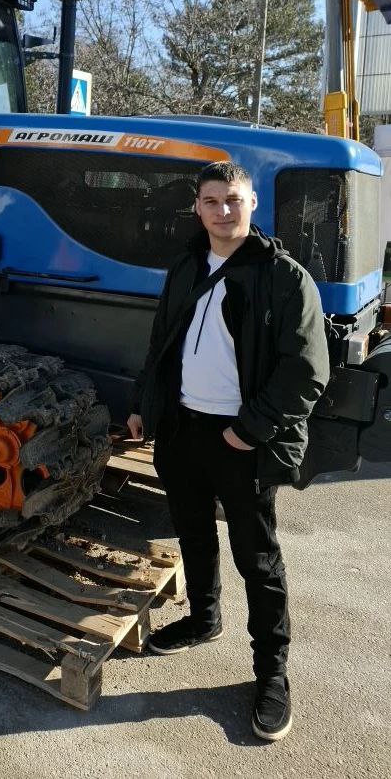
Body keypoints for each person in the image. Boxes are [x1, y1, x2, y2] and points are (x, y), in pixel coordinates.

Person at [128, 161, 329, 743]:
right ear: (198, 207)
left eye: (233, 200)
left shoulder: (284, 277)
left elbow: (306, 370)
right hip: (181, 430)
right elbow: (161, 343)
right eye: (212, 201)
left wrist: (250, 429)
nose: (222, 211)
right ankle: (204, 618)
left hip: (240, 440)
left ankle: (272, 673)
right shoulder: (187, 265)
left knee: (258, 559)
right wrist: (145, 405)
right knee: (193, 533)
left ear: (252, 203)